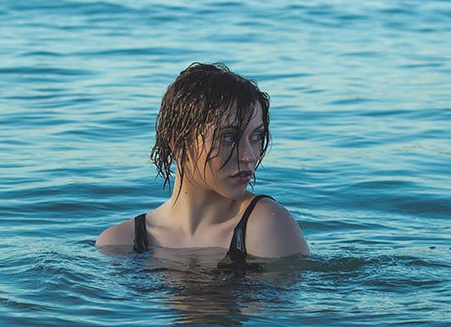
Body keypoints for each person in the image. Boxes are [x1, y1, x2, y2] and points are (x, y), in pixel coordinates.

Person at [96, 63, 308, 263]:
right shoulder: (119, 242)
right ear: (177, 142)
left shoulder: (265, 224)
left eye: (256, 137)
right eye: (228, 138)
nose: (249, 155)